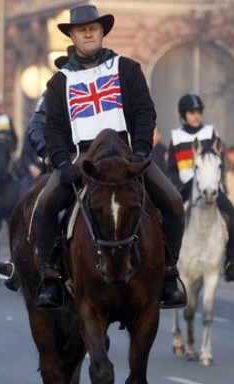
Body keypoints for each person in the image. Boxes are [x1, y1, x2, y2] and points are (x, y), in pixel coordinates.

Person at [36, 4, 186, 309]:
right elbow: (52, 128)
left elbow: (145, 112)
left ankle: (169, 273)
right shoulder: (59, 81)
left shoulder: (127, 68)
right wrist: (63, 163)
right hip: (83, 157)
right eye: (81, 29)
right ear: (73, 36)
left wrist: (142, 151)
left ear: (103, 32)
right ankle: (50, 276)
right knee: (45, 205)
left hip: (128, 155)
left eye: (93, 28)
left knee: (173, 203)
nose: (88, 33)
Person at [165, 93, 234, 282]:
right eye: (192, 112)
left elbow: (221, 161)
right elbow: (172, 170)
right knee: (166, 222)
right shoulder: (176, 137)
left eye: (199, 112)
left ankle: (231, 262)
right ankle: (168, 265)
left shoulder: (210, 132)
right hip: (186, 188)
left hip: (211, 188)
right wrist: (180, 184)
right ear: (183, 115)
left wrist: (215, 180)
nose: (196, 116)